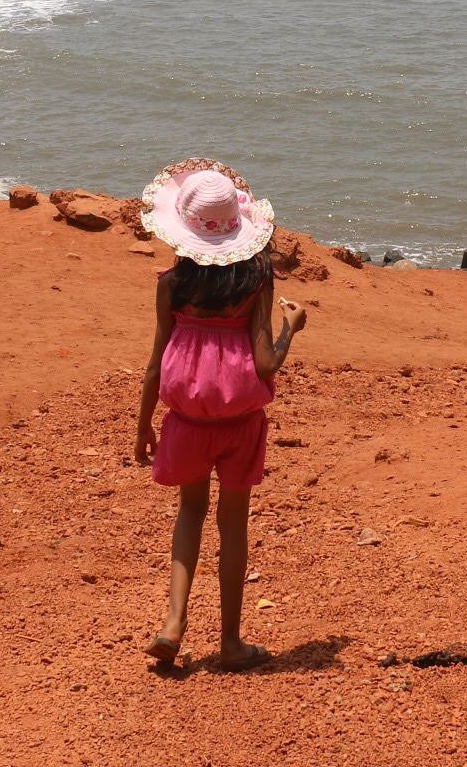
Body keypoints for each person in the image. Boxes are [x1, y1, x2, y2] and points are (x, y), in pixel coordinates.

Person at [133, 160, 308, 671]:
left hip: (186, 421)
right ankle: (230, 643)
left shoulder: (172, 285)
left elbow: (153, 364)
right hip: (240, 423)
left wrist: (143, 425)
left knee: (190, 512)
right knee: (234, 525)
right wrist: (290, 328)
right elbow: (267, 363)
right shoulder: (256, 282)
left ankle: (172, 624)